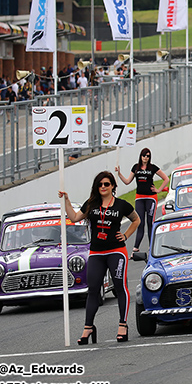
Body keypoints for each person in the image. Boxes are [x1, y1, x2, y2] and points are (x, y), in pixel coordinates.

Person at [58, 171, 140, 345]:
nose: (103, 187)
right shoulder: (91, 204)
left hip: (116, 252)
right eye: (100, 184)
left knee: (119, 286)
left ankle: (123, 325)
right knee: (93, 289)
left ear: (112, 186)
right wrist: (66, 200)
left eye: (106, 184)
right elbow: (73, 218)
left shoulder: (121, 205)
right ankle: (88, 328)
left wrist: (125, 236)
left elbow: (136, 220)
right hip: (96, 253)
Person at [116, 148, 168, 256]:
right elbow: (127, 181)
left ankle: (152, 247)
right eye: (144, 155)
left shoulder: (153, 168)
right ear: (141, 156)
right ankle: (136, 248)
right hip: (139, 197)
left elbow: (166, 179)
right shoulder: (136, 167)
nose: (146, 158)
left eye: (148, 156)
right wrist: (119, 173)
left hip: (151, 198)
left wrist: (158, 190)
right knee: (139, 222)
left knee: (150, 223)